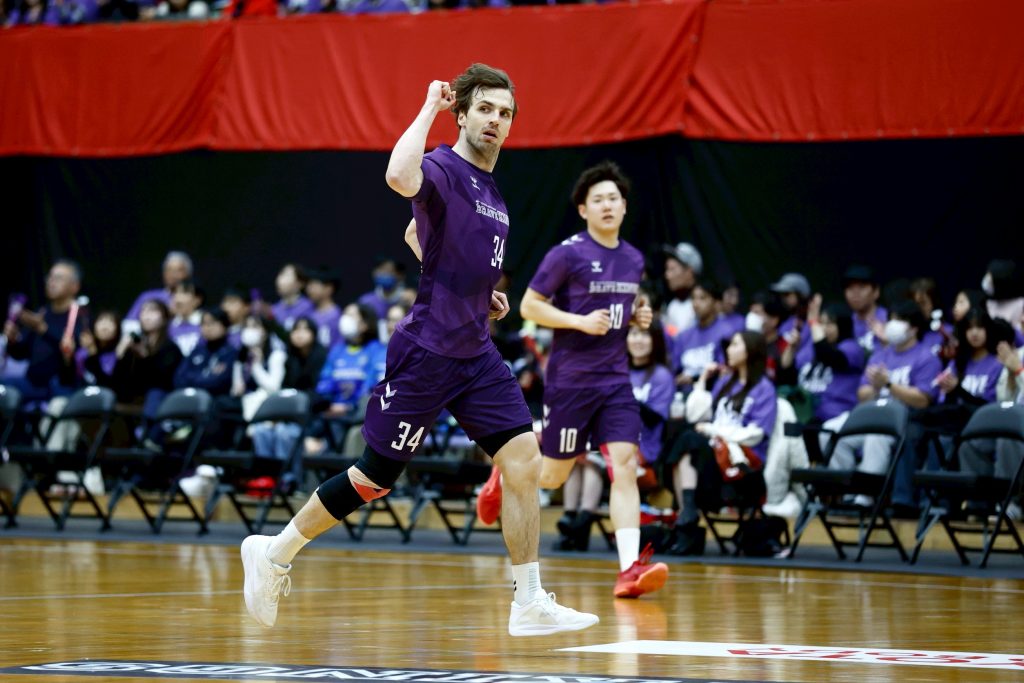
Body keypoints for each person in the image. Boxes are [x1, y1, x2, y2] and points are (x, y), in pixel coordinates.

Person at [239, 65, 597, 635]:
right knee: (375, 476)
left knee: (524, 460)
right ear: (464, 115)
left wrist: (480, 294)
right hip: (427, 350)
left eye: (505, 113)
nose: (495, 120)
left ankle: (529, 601)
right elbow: (398, 177)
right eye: (485, 109)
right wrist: (430, 107)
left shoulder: (494, 194)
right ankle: (274, 552)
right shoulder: (443, 166)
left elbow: (420, 238)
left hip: (476, 353)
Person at [480, 160, 668, 599]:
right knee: (552, 478)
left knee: (624, 465)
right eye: (598, 199)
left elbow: (621, 309)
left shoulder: (633, 259)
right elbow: (530, 306)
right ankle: (503, 477)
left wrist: (637, 316)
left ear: (624, 207)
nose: (607, 205)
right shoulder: (566, 254)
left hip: (615, 381)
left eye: (614, 198)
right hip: (571, 381)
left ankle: (628, 569)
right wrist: (578, 322)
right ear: (583, 210)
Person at [829, 300, 942, 511]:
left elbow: (923, 399)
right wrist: (876, 387)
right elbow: (862, 394)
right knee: (832, 434)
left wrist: (889, 385)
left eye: (899, 320)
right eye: (891, 319)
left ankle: (866, 497)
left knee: (877, 435)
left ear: (914, 328)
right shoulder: (880, 355)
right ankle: (846, 493)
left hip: (904, 421)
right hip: (871, 415)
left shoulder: (926, 358)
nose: (892, 324)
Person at [671, 331, 777, 544]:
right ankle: (687, 514)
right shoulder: (726, 382)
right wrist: (702, 380)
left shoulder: (764, 388)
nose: (729, 350)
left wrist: (714, 431)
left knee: (689, 440)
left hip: (742, 464)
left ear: (751, 350)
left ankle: (687, 514)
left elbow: (755, 434)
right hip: (713, 456)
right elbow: (695, 416)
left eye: (735, 345)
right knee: (685, 439)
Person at [2, 260, 84, 403]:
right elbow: (21, 354)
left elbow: (76, 349)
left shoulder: (81, 316)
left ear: (75, 286)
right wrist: (13, 340)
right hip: (31, 384)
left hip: (62, 386)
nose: (51, 282)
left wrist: (43, 329)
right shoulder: (42, 313)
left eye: (58, 278)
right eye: (50, 277)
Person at [672, 280, 727, 390]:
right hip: (683, 394)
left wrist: (694, 379)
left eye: (702, 298)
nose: (696, 304)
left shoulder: (726, 332)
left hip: (712, 393)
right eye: (693, 298)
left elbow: (725, 371)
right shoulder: (684, 335)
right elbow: (674, 370)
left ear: (716, 302)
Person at [124, 251, 193, 329]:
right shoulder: (147, 297)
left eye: (178, 270)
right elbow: (129, 325)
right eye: (168, 270)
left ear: (188, 274)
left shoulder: (195, 299)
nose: (172, 274)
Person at [843, 264, 887, 352]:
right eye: (850, 288)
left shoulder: (888, 318)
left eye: (862, 287)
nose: (855, 293)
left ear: (876, 292)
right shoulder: (844, 323)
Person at [661, 242, 702, 336]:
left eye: (672, 269)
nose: (667, 275)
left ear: (689, 272)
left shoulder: (706, 305)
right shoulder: (672, 306)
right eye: (667, 269)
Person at [306, 268, 342, 350]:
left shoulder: (337, 317)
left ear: (328, 288)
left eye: (314, 285)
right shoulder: (307, 312)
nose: (309, 289)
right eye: (309, 285)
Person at [271, 264, 315, 331]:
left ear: (300, 283)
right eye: (281, 274)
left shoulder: (309, 307)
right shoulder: (274, 309)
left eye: (287, 275)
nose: (280, 280)